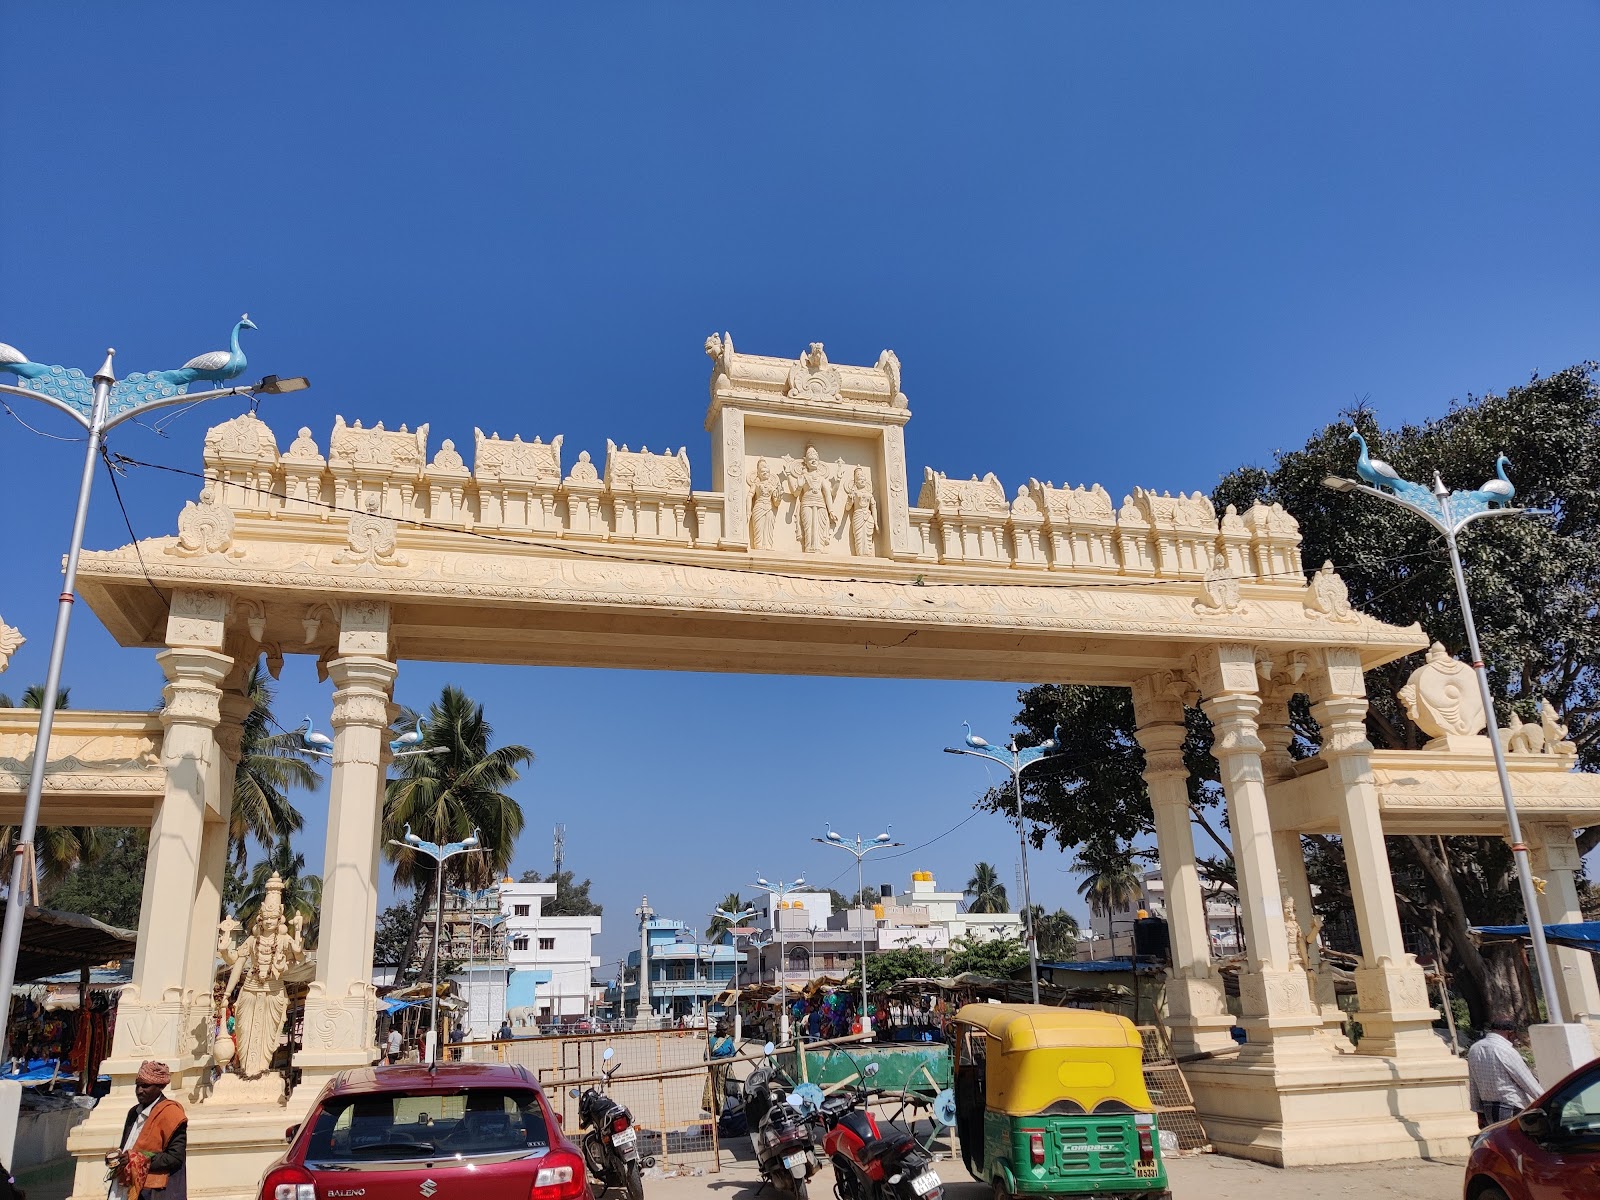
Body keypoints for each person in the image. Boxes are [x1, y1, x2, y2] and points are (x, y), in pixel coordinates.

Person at [106, 1060, 186, 1200]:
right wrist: (120, 1157)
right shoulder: (133, 1113)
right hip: (125, 1185)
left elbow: (175, 1158)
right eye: (137, 1086)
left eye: (145, 1086)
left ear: (160, 1086)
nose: (139, 1091)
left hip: (153, 1190)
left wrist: (138, 1159)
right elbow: (127, 1146)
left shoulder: (172, 1114)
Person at [1467, 1019, 1543, 1127]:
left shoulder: (1474, 1049)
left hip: (1488, 1108)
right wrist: (1545, 1100)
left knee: (1499, 1141)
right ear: (1510, 1033)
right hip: (1511, 1107)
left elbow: (1473, 1082)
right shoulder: (1505, 1050)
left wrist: (1478, 1111)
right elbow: (1526, 1081)